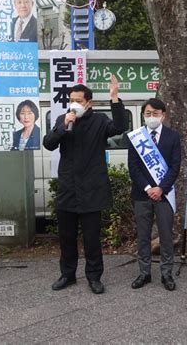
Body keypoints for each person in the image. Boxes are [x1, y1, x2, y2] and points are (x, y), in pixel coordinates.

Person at [43, 75, 127, 294]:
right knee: (67, 237)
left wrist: (115, 97)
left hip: (92, 189)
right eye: (71, 99)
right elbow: (49, 144)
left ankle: (94, 277)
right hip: (68, 189)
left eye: (79, 100)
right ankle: (67, 274)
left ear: (89, 102)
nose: (74, 104)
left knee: (91, 239)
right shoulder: (63, 118)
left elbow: (119, 126)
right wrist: (64, 125)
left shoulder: (99, 121)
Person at [128, 98, 181, 291]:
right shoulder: (135, 137)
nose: (152, 117)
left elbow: (175, 166)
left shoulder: (172, 136)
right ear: (143, 115)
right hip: (142, 195)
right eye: (148, 113)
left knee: (166, 236)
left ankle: (167, 274)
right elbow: (133, 167)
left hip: (164, 195)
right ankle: (144, 273)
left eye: (156, 113)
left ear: (163, 115)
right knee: (143, 236)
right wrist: (148, 188)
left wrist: (161, 188)